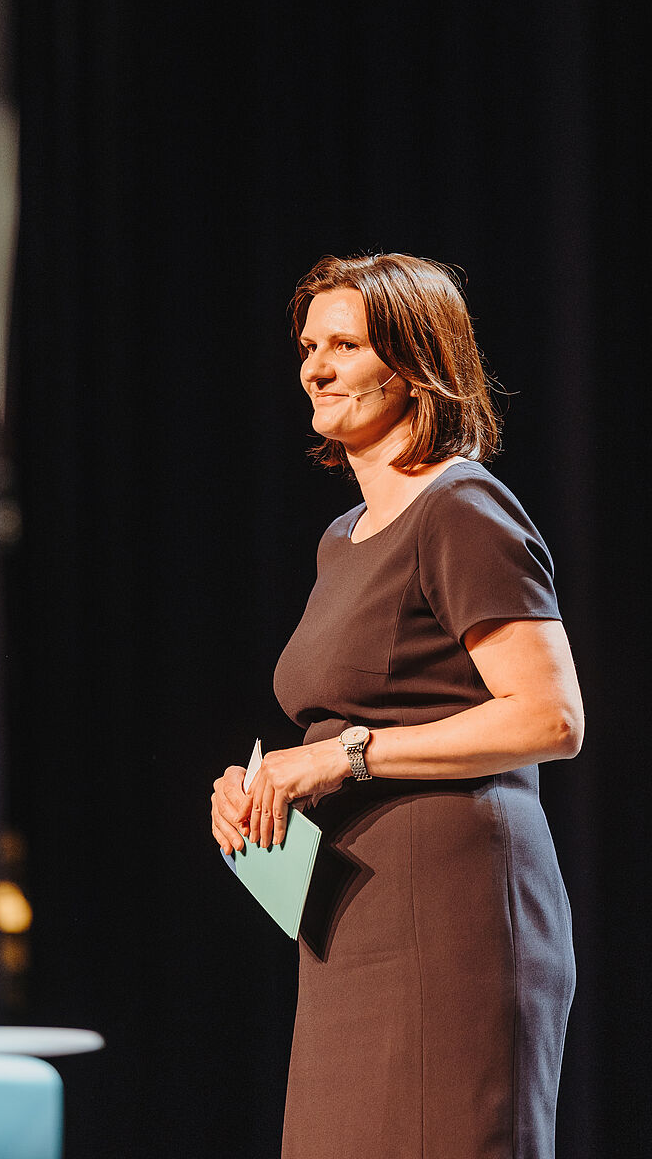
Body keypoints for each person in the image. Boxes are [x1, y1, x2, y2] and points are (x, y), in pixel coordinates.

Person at [210, 252, 583, 1159]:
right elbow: (343, 718)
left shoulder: (462, 508)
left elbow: (550, 717)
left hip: (453, 913)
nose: (316, 368)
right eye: (310, 346)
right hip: (352, 913)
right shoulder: (343, 538)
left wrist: (342, 757)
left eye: (346, 345)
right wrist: (261, 790)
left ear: (417, 364)